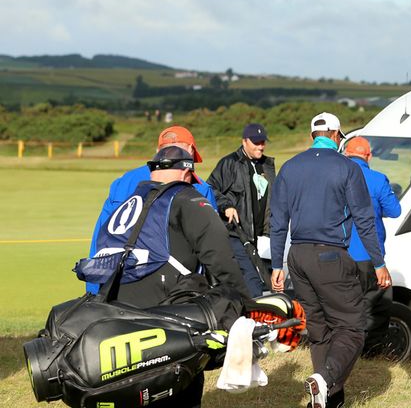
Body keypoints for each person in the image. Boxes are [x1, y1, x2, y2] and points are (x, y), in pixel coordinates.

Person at [90, 146, 250, 407]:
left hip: (117, 311)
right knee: (178, 387)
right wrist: (245, 305)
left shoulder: (131, 201)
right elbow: (220, 257)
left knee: (136, 389)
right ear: (187, 172)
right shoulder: (187, 198)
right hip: (166, 312)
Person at [270, 112, 389, 408]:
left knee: (320, 331)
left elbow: (277, 221)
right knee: (351, 327)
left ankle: (325, 400)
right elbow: (364, 219)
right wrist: (378, 262)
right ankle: (324, 378)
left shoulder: (289, 166)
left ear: (313, 136)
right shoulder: (347, 167)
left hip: (296, 257)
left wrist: (276, 265)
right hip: (330, 255)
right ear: (336, 135)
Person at [88, 126, 217, 294]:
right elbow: (212, 246)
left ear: (158, 151)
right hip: (174, 288)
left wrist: (94, 289)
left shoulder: (125, 181)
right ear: (191, 150)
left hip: (121, 283)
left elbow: (103, 235)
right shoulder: (199, 187)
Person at [343, 136, 402, 357]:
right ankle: (371, 353)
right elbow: (394, 210)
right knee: (379, 303)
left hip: (341, 255)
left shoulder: (337, 180)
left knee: (347, 308)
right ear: (369, 156)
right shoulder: (377, 179)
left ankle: (346, 352)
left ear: (346, 155)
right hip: (370, 257)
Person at [208, 123, 276, 298]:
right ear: (244, 141)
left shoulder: (268, 165)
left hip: (263, 237)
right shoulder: (229, 163)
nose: (260, 146)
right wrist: (226, 206)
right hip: (237, 234)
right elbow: (210, 189)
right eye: (256, 142)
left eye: (262, 142)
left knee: (267, 280)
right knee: (252, 281)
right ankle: (255, 319)